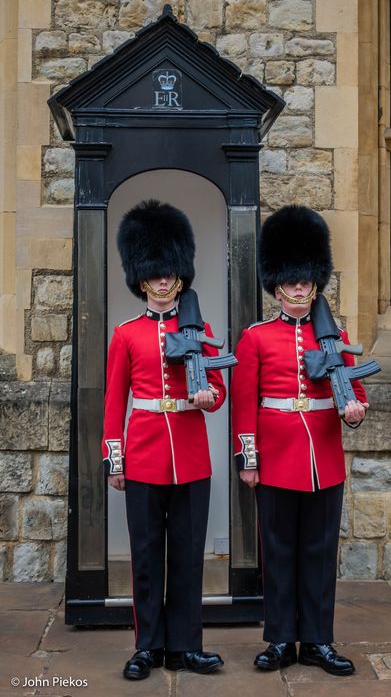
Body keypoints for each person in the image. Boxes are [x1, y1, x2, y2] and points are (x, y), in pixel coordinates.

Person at [231, 205, 368, 675]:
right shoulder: (256, 338)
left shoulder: (337, 336)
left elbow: (358, 397)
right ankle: (279, 639)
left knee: (319, 552)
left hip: (323, 459)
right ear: (277, 284)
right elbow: (244, 405)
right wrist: (248, 460)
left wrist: (353, 413)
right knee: (278, 552)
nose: (298, 288)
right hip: (275, 459)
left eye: (305, 280)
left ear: (314, 280)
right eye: (290, 281)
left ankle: (317, 641)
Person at [102, 199, 226, 679]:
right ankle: (148, 646)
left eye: (168, 273)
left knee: (188, 557)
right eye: (153, 274)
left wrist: (206, 397)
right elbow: (115, 404)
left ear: (179, 274)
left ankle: (187, 645)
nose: (161, 282)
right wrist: (115, 460)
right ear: (141, 278)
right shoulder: (126, 335)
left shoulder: (202, 329)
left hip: (191, 455)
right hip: (145, 455)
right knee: (147, 556)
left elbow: (218, 392)